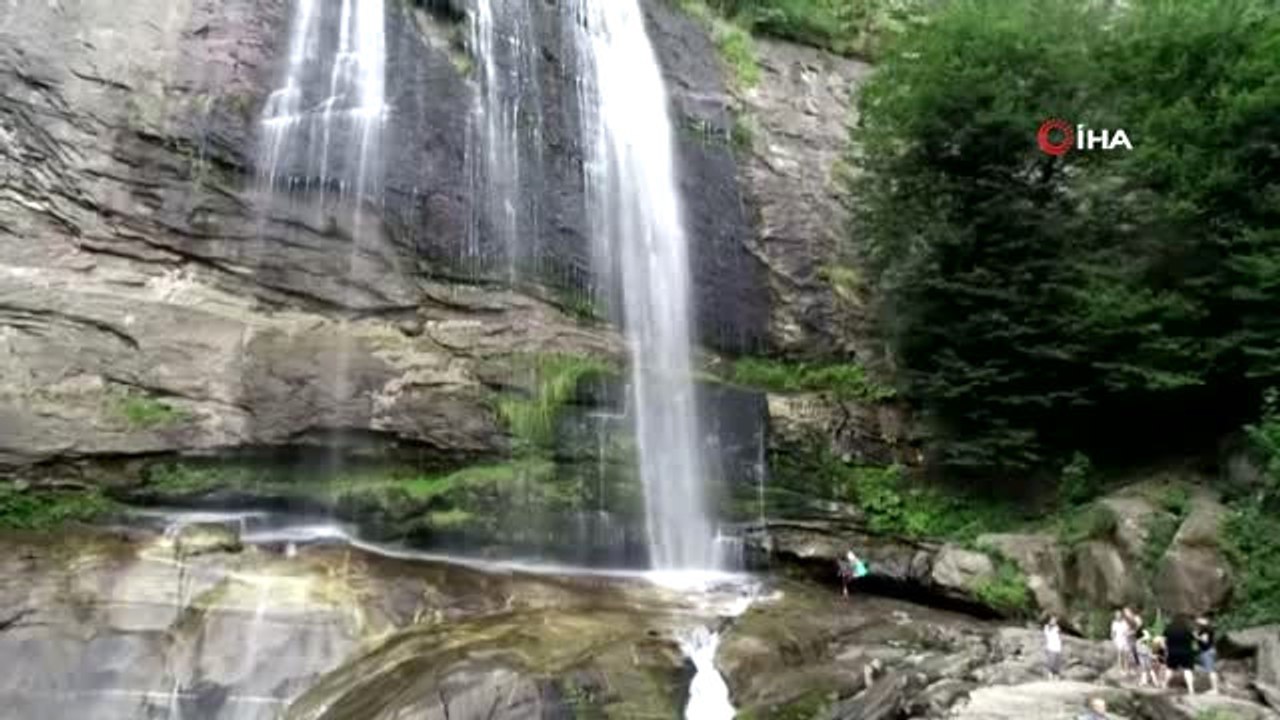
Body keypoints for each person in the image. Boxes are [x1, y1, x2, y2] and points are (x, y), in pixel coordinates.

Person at [1164, 615, 1197, 694]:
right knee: (1188, 670)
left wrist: (1166, 649)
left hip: (1173, 652)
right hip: (1186, 652)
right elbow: (1194, 640)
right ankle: (1191, 689)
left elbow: (1163, 640)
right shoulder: (1188, 629)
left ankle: (1164, 685)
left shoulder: (1169, 629)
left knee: (1170, 669)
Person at [1195, 616, 1220, 694]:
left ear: (1205, 620)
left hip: (1207, 651)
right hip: (1209, 650)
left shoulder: (1206, 629)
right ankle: (1214, 688)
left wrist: (1196, 636)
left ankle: (1215, 689)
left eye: (1199, 619)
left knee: (1210, 671)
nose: (1197, 621)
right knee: (1211, 670)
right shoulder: (1207, 628)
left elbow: (1205, 640)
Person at [1045, 614, 1064, 680]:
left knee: (1057, 662)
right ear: (1050, 620)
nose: (1054, 621)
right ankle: (1050, 675)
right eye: (1052, 620)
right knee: (1051, 661)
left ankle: (1056, 675)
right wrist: (1051, 625)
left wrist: (1060, 646)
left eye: (1055, 620)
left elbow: (1059, 637)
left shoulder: (1057, 627)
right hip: (1051, 647)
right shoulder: (1047, 627)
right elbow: (1047, 634)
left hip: (1057, 647)